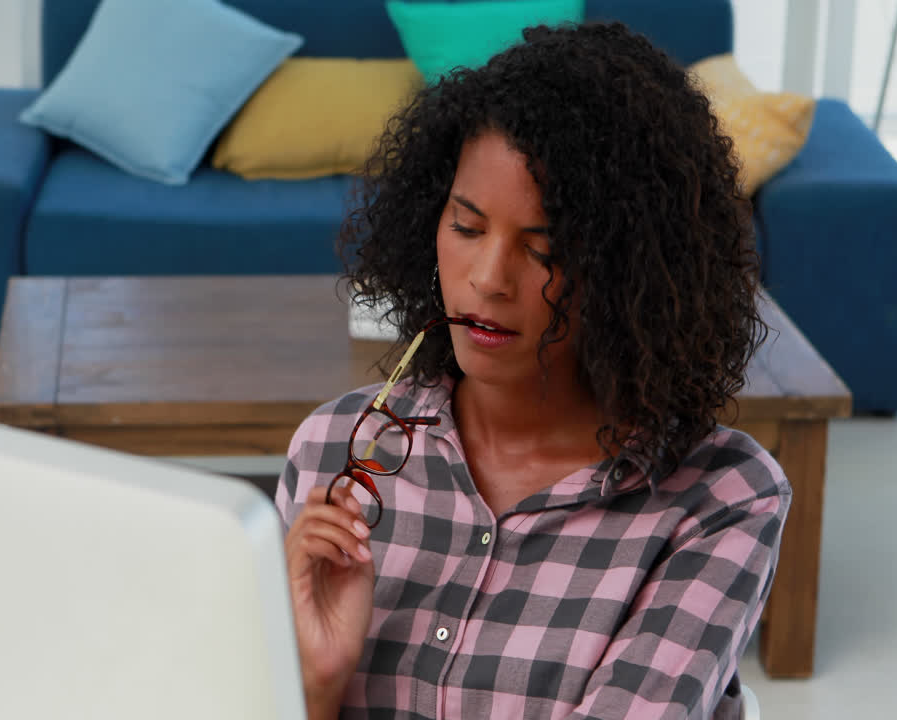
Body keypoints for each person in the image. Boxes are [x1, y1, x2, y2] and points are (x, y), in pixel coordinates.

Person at [275, 21, 790, 720]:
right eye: (465, 227)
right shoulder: (334, 451)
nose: (487, 279)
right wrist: (316, 686)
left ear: (630, 270)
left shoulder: (721, 498)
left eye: (543, 249)